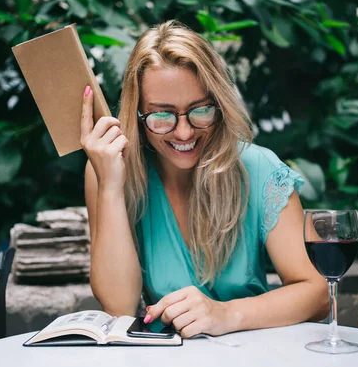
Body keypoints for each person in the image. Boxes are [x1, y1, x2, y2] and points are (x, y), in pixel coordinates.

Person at [80, 20, 328, 338]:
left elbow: (317, 293)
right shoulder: (110, 171)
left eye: (200, 110)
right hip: (165, 364)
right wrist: (112, 187)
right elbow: (119, 309)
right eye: (161, 115)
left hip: (256, 358)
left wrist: (225, 314)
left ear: (219, 103)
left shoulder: (260, 169)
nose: (184, 132)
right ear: (137, 115)